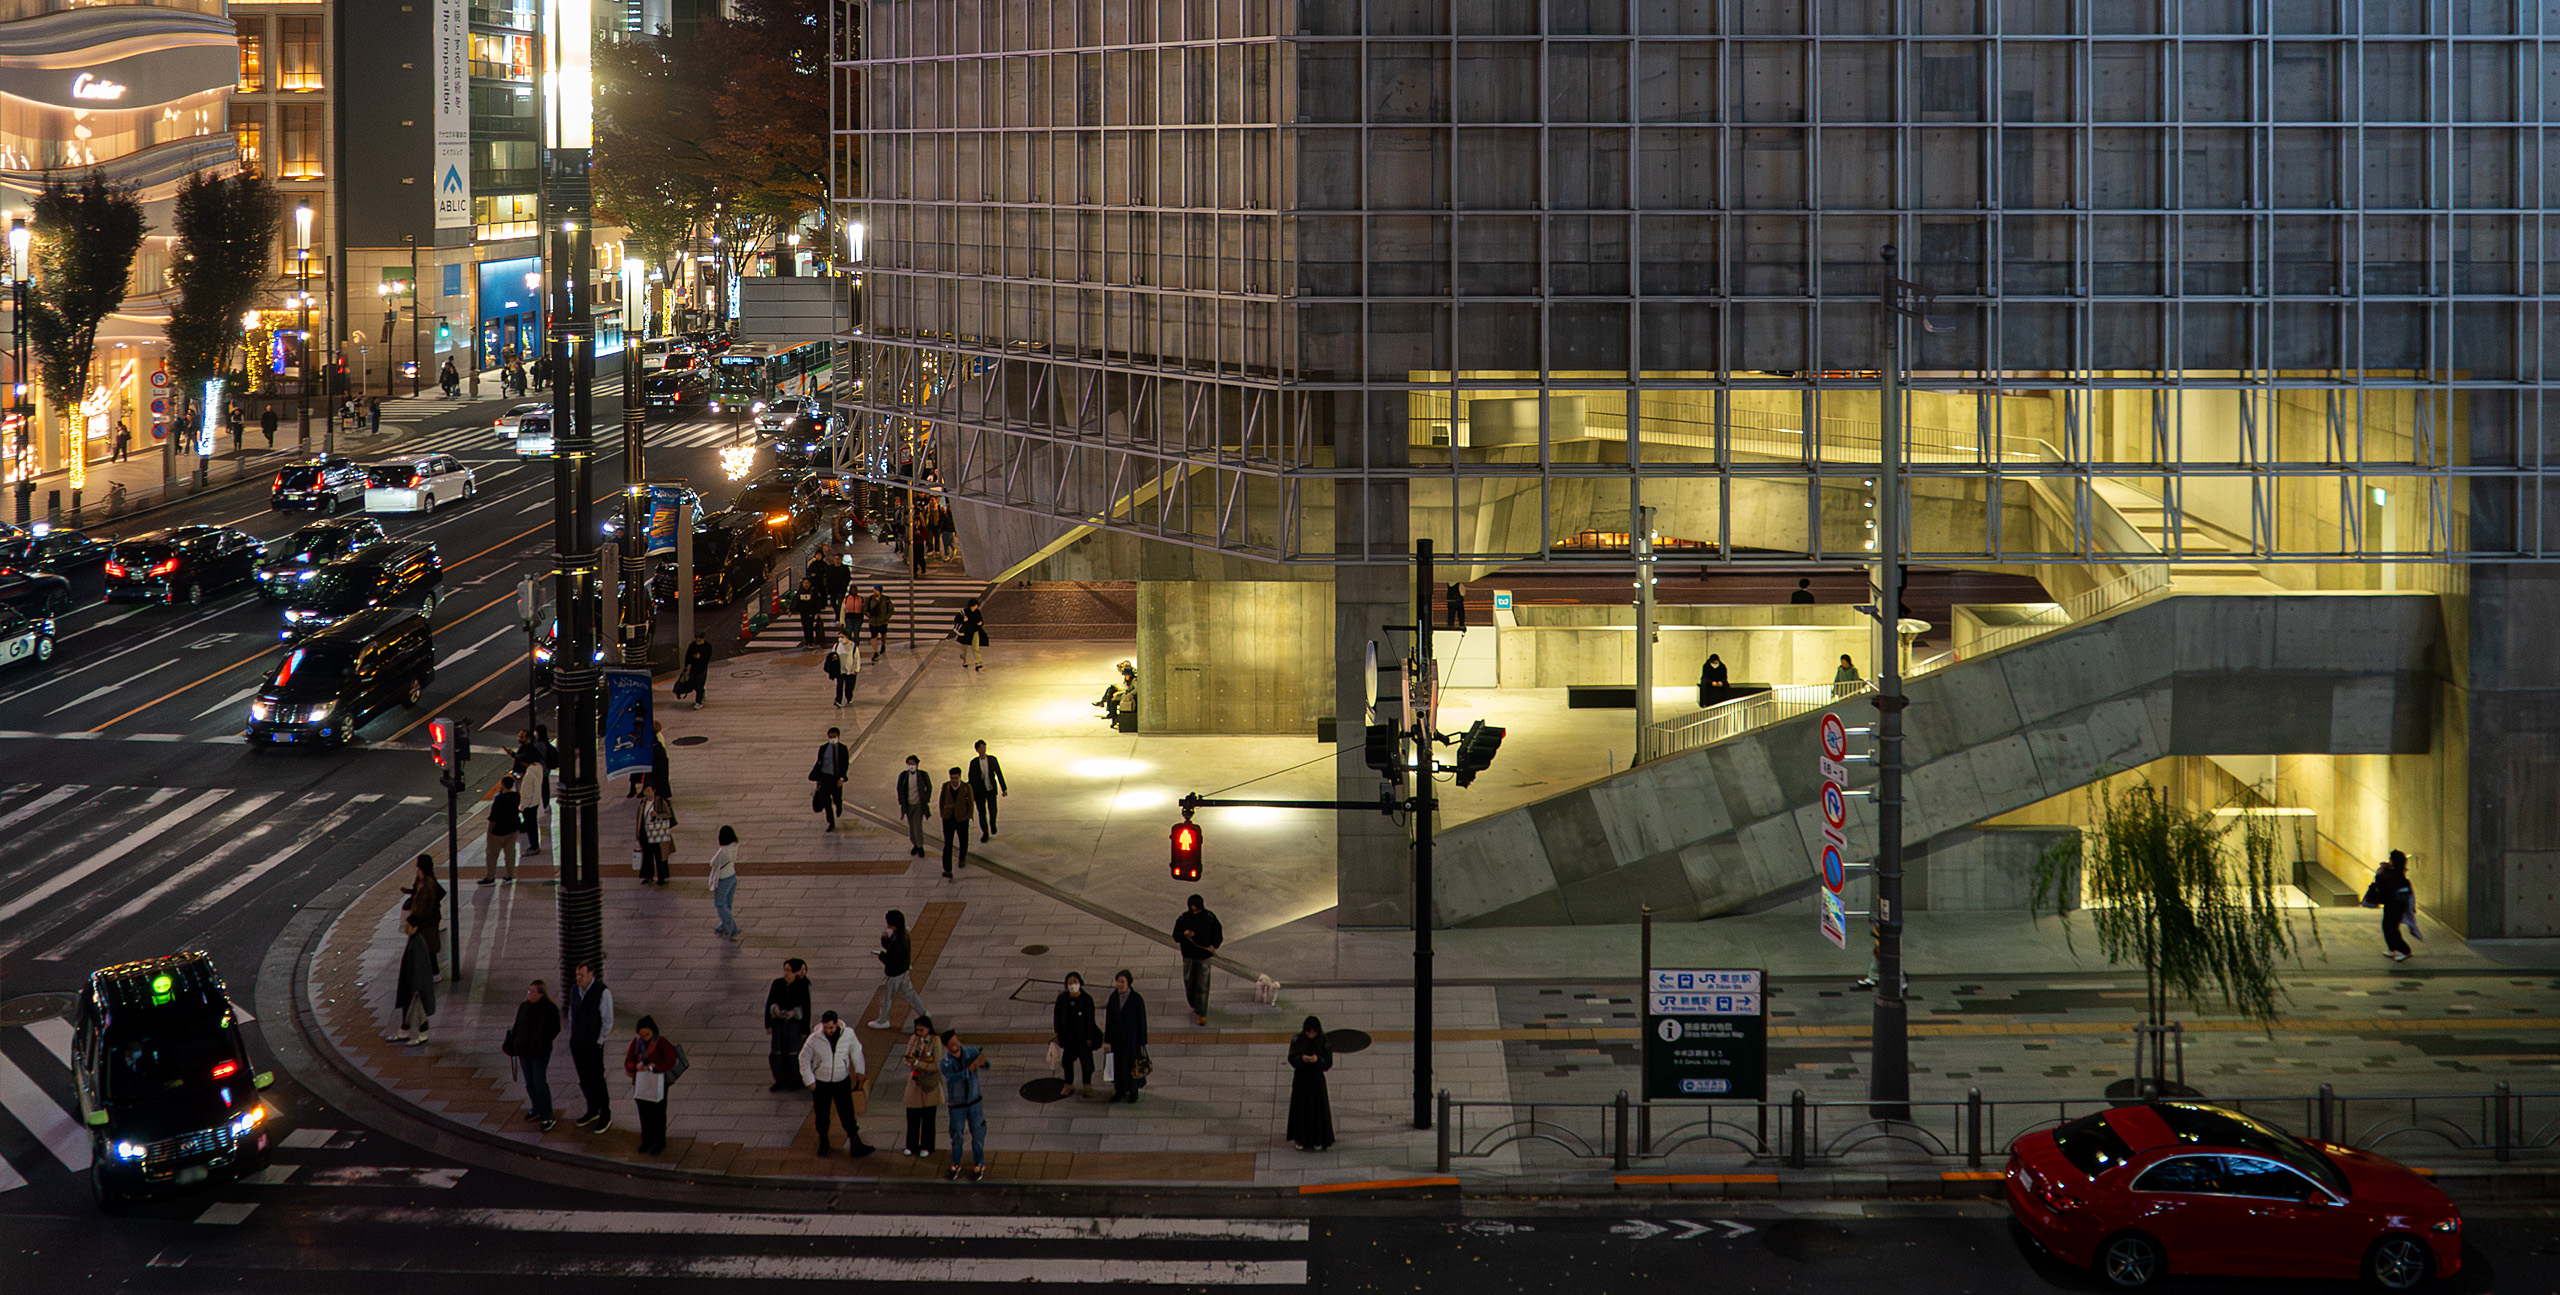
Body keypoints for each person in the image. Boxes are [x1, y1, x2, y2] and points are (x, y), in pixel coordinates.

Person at [798, 1010, 874, 1156]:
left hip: (841, 1081)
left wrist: (860, 1071)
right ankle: (824, 1142)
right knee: (822, 1114)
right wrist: (810, 1080)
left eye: (831, 1028)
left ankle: (855, 1143)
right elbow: (804, 1059)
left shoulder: (848, 1034)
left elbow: (856, 1051)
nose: (829, 1031)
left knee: (847, 1113)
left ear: (836, 1024)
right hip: (821, 1083)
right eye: (826, 1028)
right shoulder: (814, 1039)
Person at [503, 980, 561, 1131]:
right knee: (530, 1082)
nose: (529, 993)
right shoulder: (524, 1006)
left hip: (539, 1052)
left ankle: (547, 1115)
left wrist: (543, 1040)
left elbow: (555, 1028)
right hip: (524, 1051)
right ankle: (537, 1107)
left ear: (540, 993)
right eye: (528, 990)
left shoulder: (549, 1008)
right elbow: (517, 1026)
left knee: (539, 1082)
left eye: (532, 991)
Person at [938, 1029, 990, 1181]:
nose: (957, 1045)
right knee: (957, 1136)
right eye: (953, 1044)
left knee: (978, 1134)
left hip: (975, 1102)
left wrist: (983, 1061)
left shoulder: (970, 1052)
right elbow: (952, 1079)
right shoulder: (945, 1062)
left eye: (957, 1041)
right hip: (957, 1106)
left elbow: (986, 1065)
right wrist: (969, 1069)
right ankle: (955, 1164)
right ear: (947, 1047)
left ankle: (979, 1163)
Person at [568, 960, 614, 1131]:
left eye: (582, 975)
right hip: (577, 1043)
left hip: (593, 1044)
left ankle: (605, 1113)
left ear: (591, 974)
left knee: (597, 1079)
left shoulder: (602, 992)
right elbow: (571, 1014)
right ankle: (592, 1108)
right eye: (577, 975)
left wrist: (599, 1041)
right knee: (584, 1079)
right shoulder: (574, 991)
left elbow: (608, 1020)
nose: (578, 978)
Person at [624, 1016, 680, 1155]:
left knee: (658, 1114)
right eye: (642, 1035)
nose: (645, 1037)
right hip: (642, 1084)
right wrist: (635, 1066)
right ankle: (646, 1141)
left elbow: (670, 1061)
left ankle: (659, 1142)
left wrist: (653, 1068)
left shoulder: (661, 1043)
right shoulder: (636, 1044)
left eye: (647, 1034)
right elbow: (628, 1063)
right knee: (644, 1115)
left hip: (658, 1084)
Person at [867, 910, 929, 1029]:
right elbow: (891, 948)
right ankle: (924, 1014)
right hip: (903, 971)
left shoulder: (898, 941)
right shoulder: (901, 934)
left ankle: (882, 1021)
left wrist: (881, 955)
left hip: (895, 974)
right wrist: (885, 939)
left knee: (887, 997)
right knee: (910, 994)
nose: (887, 926)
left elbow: (892, 959)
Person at [1286, 1017, 1335, 1151]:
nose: (1311, 1035)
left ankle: (1318, 1139)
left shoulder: (1324, 1042)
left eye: (1313, 1033)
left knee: (1317, 1110)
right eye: (1308, 1033)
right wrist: (1301, 1059)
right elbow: (1291, 1058)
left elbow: (1328, 1062)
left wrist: (1317, 1060)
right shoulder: (1298, 1040)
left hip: (1316, 1080)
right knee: (1301, 1109)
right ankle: (1300, 1138)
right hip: (1302, 1079)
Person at [1173, 894, 1223, 1026]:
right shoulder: (1184, 918)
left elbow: (1217, 933)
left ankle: (1202, 1013)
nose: (1195, 912)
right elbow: (1176, 935)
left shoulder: (1209, 918)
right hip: (1189, 955)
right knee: (1189, 982)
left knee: (1202, 984)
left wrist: (1214, 945)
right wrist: (1184, 935)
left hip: (1203, 956)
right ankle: (1194, 1004)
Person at [764, 959, 811, 1092]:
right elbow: (769, 1003)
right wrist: (768, 1022)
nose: (787, 973)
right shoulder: (778, 983)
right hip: (779, 1023)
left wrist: (804, 1029)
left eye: (789, 970)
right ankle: (780, 1079)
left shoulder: (802, 986)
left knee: (793, 1053)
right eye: (785, 970)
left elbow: (806, 1009)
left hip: (793, 1025)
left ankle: (796, 1078)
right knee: (776, 1052)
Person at [2364, 849, 2419, 962]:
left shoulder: (2396, 876)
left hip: (2396, 906)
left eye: (2390, 860)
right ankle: (2393, 948)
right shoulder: (2396, 874)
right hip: (2392, 905)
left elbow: (2385, 884)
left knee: (2391, 928)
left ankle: (2404, 950)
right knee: (2387, 926)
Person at [1103, 970, 1148, 1103]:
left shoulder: (1136, 999)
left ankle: (1133, 1092)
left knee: (1132, 1066)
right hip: (1117, 1040)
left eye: (1122, 981)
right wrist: (1108, 1039)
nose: (1120, 984)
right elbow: (1109, 1020)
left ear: (1128, 982)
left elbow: (1142, 1020)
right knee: (1118, 1066)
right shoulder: (1113, 998)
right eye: (1118, 981)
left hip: (1131, 1040)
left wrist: (1142, 1040)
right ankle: (1120, 1090)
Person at [389, 919, 436, 1044]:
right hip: (412, 983)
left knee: (417, 1012)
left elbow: (419, 968)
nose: (406, 929)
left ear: (415, 928)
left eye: (409, 926)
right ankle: (405, 1031)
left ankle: (420, 1035)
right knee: (411, 1011)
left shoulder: (417, 943)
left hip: (416, 986)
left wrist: (416, 987)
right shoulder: (414, 940)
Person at [901, 1015, 941, 1156]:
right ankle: (911, 1145)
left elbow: (936, 1065)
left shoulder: (935, 1041)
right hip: (915, 1082)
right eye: (917, 1030)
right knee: (912, 1116)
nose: (918, 1033)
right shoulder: (914, 1039)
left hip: (929, 1084)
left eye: (921, 1030)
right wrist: (911, 1061)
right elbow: (908, 1056)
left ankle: (927, 1146)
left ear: (928, 1029)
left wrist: (918, 1063)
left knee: (928, 1118)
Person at [1052, 972, 1098, 1094]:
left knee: (1086, 1063)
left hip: (1083, 1038)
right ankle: (1068, 1084)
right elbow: (1057, 1017)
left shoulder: (1086, 999)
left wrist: (1089, 1037)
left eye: (1075, 982)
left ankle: (1087, 1085)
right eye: (1070, 982)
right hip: (1068, 1038)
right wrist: (1058, 1033)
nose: (1073, 985)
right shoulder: (1062, 999)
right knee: (1067, 1062)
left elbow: (1090, 1020)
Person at [402, 854, 444, 977]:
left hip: (425, 921)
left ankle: (433, 973)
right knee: (427, 948)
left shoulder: (427, 883)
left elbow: (425, 901)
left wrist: (416, 918)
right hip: (427, 920)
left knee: (426, 948)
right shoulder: (424, 879)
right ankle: (431, 972)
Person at [480, 774, 523, 884]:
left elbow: (493, 817)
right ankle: (510, 874)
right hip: (513, 828)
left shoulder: (499, 799)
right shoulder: (516, 796)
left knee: (492, 854)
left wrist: (489, 831)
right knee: (510, 852)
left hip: (499, 830)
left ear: (503, 785)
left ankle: (490, 876)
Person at [965, 740, 1008, 841]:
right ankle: (985, 832)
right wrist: (970, 794)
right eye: (981, 747)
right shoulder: (974, 763)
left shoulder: (992, 759)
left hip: (990, 789)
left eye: (984, 747)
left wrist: (1004, 788)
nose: (983, 749)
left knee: (993, 809)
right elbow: (971, 779)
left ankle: (992, 823)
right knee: (982, 813)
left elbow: (999, 773)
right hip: (979, 791)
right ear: (977, 750)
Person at [937, 765, 974, 879]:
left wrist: (969, 815)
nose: (953, 781)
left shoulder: (966, 787)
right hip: (948, 819)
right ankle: (947, 869)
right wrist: (943, 814)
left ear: (960, 777)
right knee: (948, 843)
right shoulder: (945, 786)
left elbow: (971, 802)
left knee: (963, 840)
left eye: (955, 778)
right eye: (951, 778)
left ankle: (962, 857)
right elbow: (941, 801)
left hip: (962, 818)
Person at [810, 727, 850, 831]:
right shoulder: (823, 748)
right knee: (826, 802)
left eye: (834, 737)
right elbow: (819, 762)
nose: (833, 738)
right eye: (831, 737)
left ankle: (839, 805)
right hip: (825, 777)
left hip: (836, 778)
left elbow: (845, 764)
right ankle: (831, 822)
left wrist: (842, 778)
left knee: (836, 798)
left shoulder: (842, 748)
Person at [709, 825, 741, 938]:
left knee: (719, 904)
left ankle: (731, 927)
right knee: (727, 903)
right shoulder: (735, 845)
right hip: (732, 877)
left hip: (723, 879)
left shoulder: (722, 851)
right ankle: (722, 925)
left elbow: (712, 863)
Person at [896, 755, 931, 859]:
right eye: (909, 764)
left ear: (917, 765)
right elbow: (899, 788)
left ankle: (920, 846)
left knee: (918, 826)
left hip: (918, 805)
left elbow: (929, 786)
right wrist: (901, 801)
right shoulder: (903, 776)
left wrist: (926, 798)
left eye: (913, 764)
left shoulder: (922, 775)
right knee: (911, 826)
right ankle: (915, 843)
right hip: (908, 805)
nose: (911, 766)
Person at [639, 790, 677, 884]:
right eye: (645, 791)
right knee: (647, 855)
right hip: (646, 832)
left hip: (657, 831)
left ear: (653, 791)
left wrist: (657, 815)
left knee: (660, 855)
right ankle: (648, 876)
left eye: (649, 790)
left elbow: (668, 814)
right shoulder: (642, 804)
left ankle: (662, 877)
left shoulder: (660, 801)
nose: (647, 793)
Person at [951, 598, 989, 671]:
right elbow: (956, 619)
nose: (976, 607)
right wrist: (963, 620)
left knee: (976, 647)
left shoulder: (977, 612)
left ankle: (978, 663)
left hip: (974, 631)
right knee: (964, 649)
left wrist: (980, 623)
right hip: (965, 633)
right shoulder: (964, 612)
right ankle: (964, 660)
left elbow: (981, 620)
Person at [677, 632, 712, 709]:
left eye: (699, 640)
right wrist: (686, 665)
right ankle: (701, 693)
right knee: (692, 683)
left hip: (702, 668)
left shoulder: (707, 647)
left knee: (699, 684)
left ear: (703, 639)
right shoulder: (693, 645)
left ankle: (699, 701)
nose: (698, 642)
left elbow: (707, 658)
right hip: (693, 668)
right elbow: (688, 656)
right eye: (697, 640)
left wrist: (700, 657)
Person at [825, 633, 857, 708]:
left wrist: (856, 668)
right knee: (839, 685)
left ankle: (849, 697)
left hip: (850, 670)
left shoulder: (853, 646)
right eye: (839, 637)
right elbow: (832, 655)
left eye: (842, 637)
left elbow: (856, 657)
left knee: (849, 686)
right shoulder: (836, 646)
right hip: (839, 669)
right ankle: (838, 699)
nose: (840, 638)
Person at [863, 586, 892, 661]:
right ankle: (875, 651)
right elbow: (865, 609)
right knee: (874, 637)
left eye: (876, 590)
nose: (875, 592)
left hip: (882, 621)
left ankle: (883, 644)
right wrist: (869, 616)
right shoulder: (870, 599)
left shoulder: (885, 599)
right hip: (873, 622)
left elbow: (891, 610)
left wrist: (886, 617)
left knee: (883, 634)